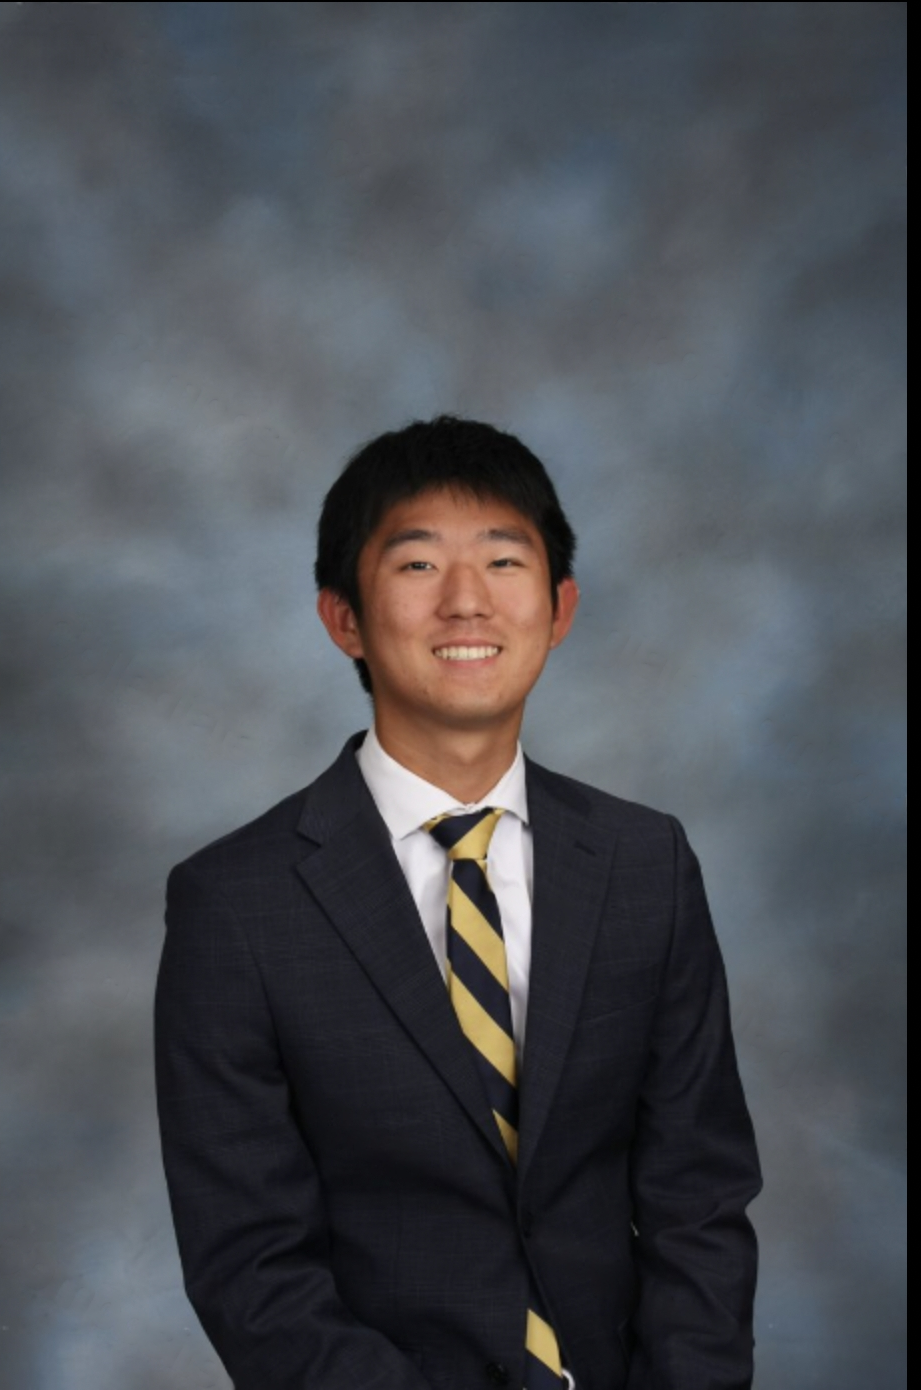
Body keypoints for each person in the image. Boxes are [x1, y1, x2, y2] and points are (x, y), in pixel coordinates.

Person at [155, 415, 761, 1390]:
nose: (467, 601)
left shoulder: (645, 864)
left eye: (504, 561)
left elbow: (700, 1197)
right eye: (418, 565)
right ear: (343, 617)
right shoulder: (235, 904)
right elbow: (251, 1268)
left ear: (559, 609)